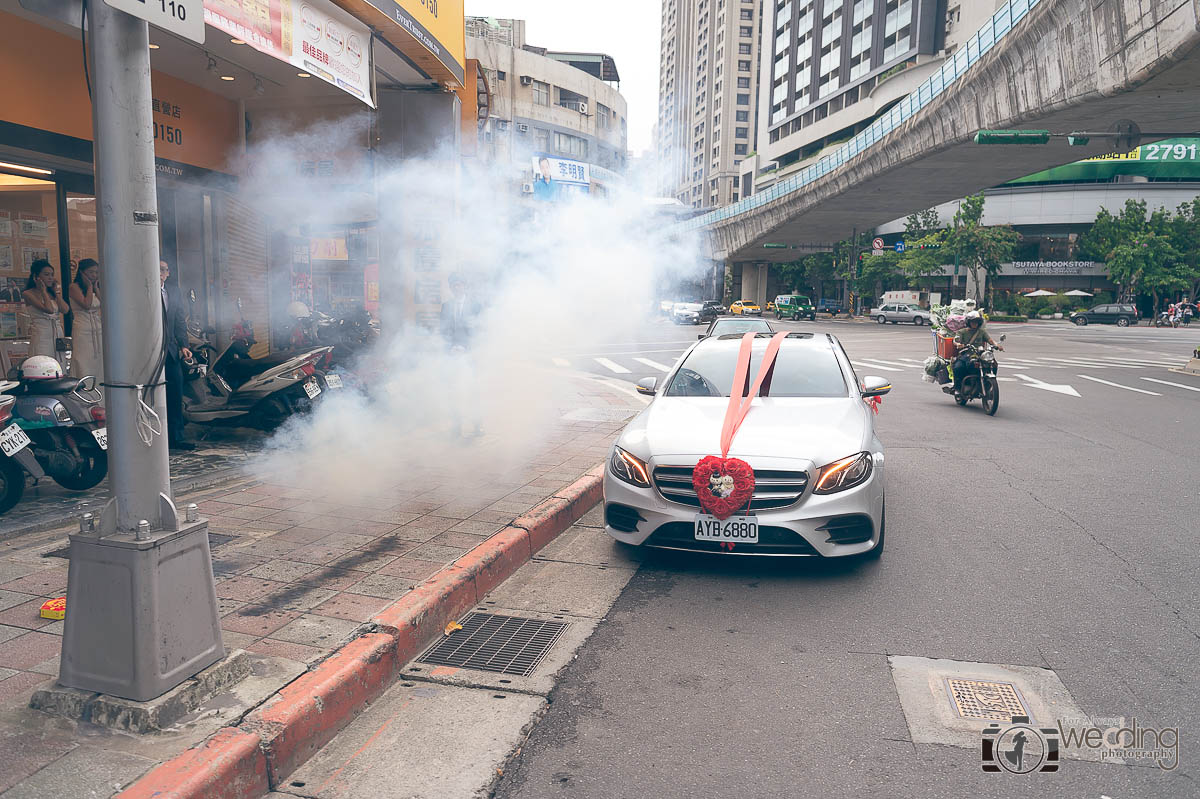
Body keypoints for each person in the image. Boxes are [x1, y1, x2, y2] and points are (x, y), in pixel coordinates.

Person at [440, 273, 482, 438]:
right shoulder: (446, 306)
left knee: (473, 390)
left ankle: (477, 424)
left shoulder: (476, 306)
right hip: (452, 354)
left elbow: (480, 331)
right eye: (454, 285)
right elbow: (442, 330)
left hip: (470, 354)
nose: (457, 287)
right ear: (451, 288)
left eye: (460, 284)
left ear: (465, 286)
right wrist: (449, 348)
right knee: (453, 390)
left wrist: (467, 348)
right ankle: (456, 426)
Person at [160, 260, 194, 451]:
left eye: (163, 270)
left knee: (175, 394)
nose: (160, 273)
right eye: (157, 270)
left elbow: (180, 319)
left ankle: (176, 437)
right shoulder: (144, 291)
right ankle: (158, 437)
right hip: (150, 353)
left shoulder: (173, 291)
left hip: (172, 350)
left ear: (168, 273)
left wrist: (184, 345)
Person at [21, 259, 69, 369]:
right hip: (42, 334)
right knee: (43, 363)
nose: (50, 278)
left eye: (52, 275)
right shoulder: (28, 293)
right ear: (36, 276)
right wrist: (43, 291)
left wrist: (57, 292)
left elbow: (65, 310)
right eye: (46, 274)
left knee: (59, 363)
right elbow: (49, 309)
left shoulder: (52, 293)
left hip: (57, 333)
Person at [69, 258, 103, 382]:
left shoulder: (95, 288)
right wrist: (89, 287)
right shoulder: (74, 287)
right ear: (82, 272)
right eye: (91, 272)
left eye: (96, 272)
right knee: (83, 360)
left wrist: (96, 288)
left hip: (97, 328)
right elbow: (86, 304)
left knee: (99, 362)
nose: (94, 275)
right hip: (82, 328)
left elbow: (104, 305)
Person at [952, 310, 1002, 390]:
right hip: (966, 355)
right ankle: (957, 388)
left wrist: (997, 345)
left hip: (980, 354)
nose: (975, 323)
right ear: (968, 322)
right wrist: (958, 344)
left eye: (977, 322)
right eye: (972, 321)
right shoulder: (962, 332)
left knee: (993, 364)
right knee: (958, 367)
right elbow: (956, 340)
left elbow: (990, 340)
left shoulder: (981, 332)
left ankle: (988, 384)